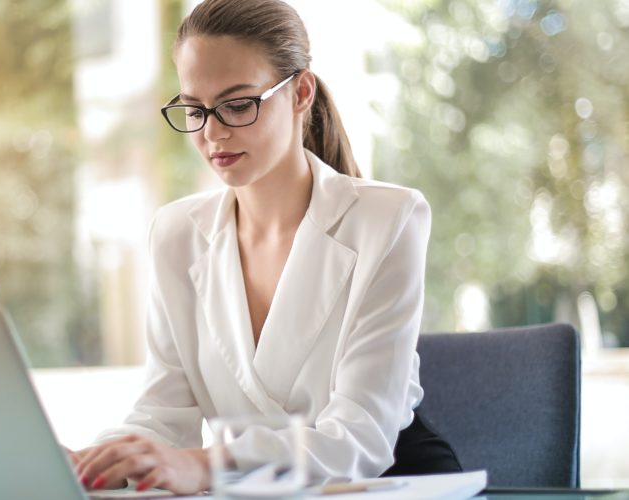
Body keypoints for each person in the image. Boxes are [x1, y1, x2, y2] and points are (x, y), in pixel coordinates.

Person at [71, 0, 461, 494]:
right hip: (255, 489)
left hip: (386, 483)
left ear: (300, 92)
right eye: (195, 109)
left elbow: (359, 439)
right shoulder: (176, 234)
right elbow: (162, 414)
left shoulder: (388, 219)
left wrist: (207, 466)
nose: (212, 133)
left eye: (237, 105)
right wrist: (97, 462)